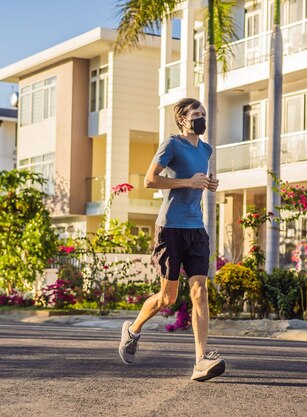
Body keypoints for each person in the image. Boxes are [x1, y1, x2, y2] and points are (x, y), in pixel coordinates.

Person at [118, 98, 225, 382]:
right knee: (168, 297)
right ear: (182, 120)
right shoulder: (171, 145)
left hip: (196, 228)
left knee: (199, 290)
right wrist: (188, 182)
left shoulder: (206, 149)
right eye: (195, 114)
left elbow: (197, 182)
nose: (201, 118)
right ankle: (133, 330)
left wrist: (207, 185)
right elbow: (150, 180)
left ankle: (200, 360)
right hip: (170, 229)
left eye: (203, 113)